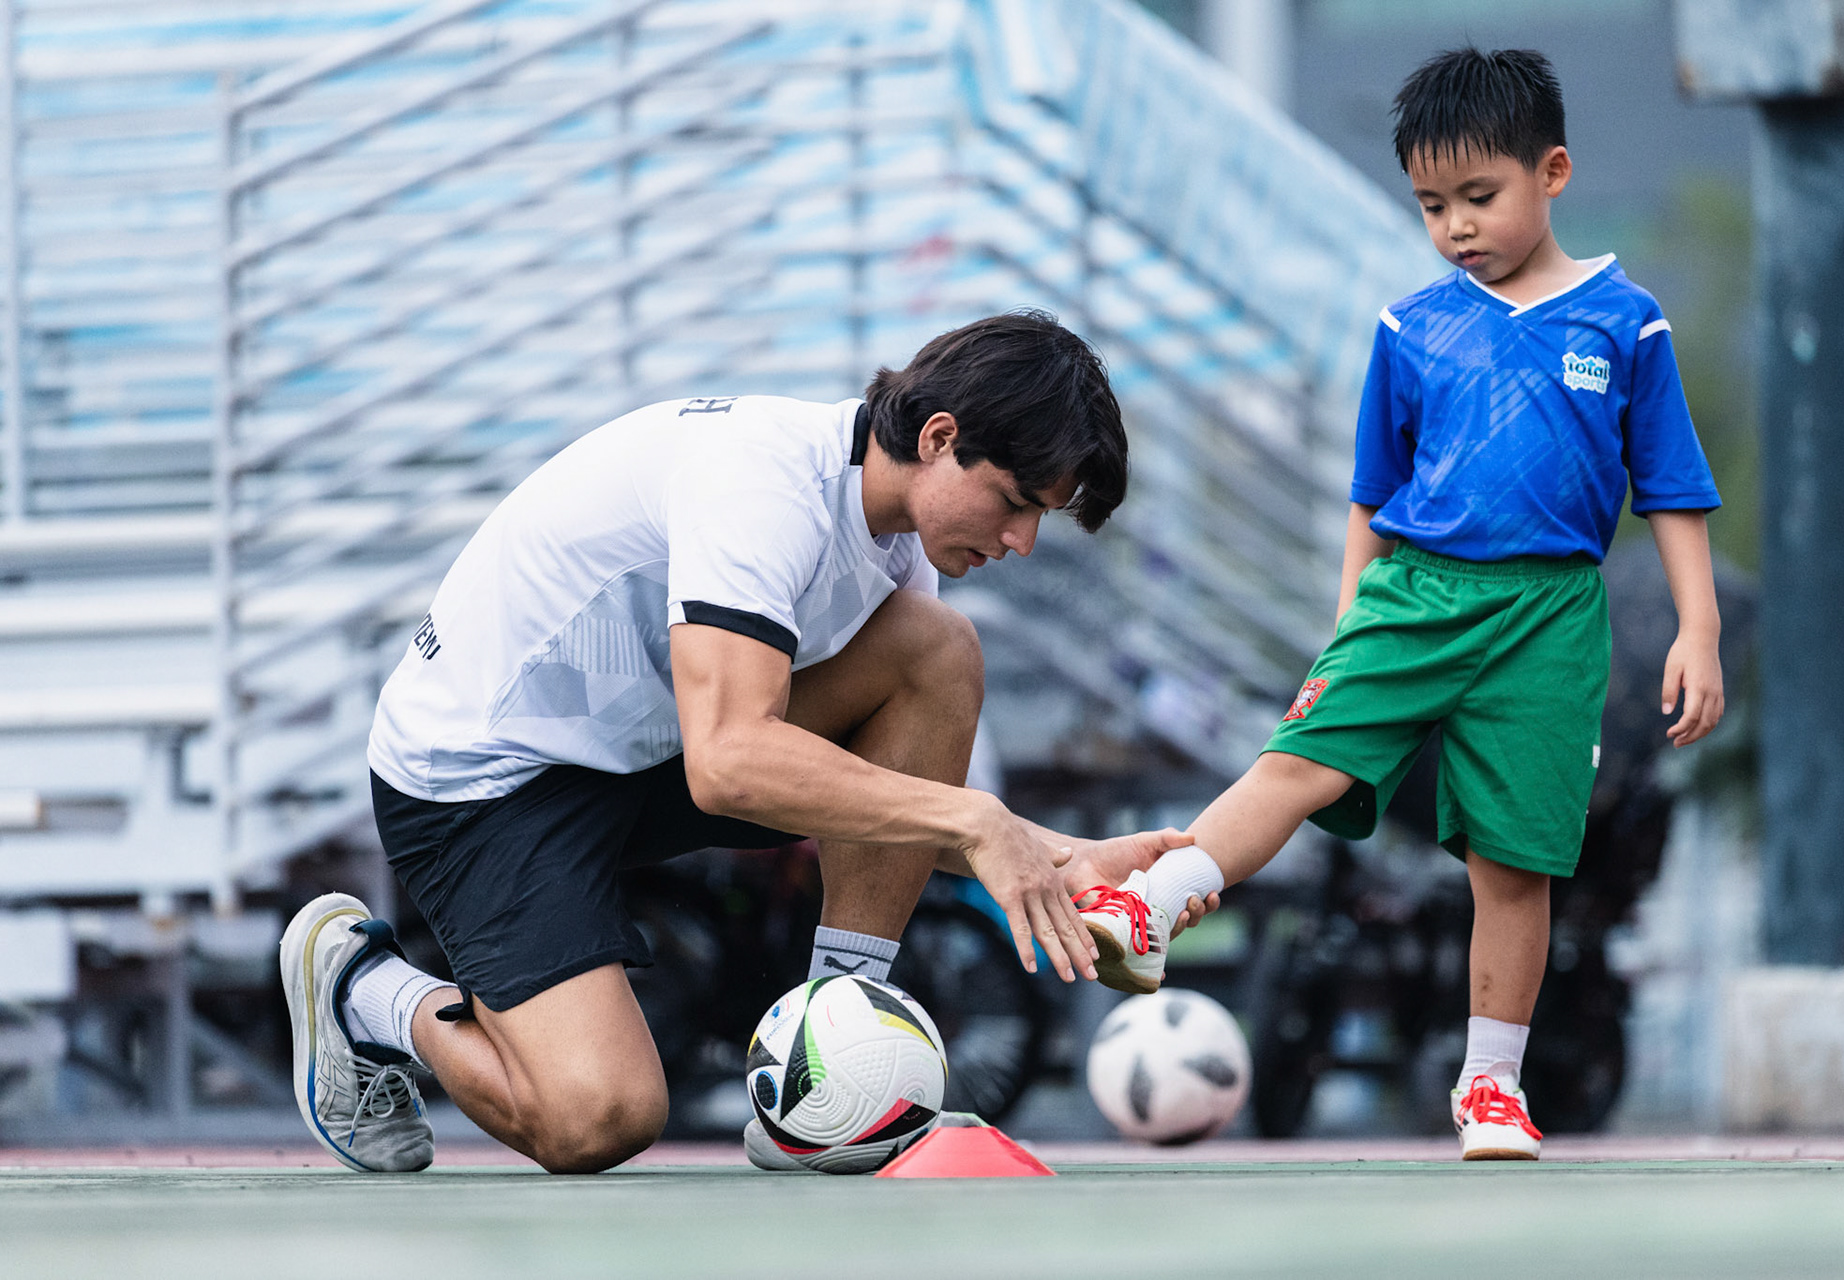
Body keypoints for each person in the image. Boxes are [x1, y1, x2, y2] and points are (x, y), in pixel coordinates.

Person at [279, 311, 1211, 1174]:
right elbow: (730, 766)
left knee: (933, 653)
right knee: (598, 1118)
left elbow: (888, 783)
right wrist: (981, 821)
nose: (1023, 540)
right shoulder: (764, 483)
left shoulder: (897, 545)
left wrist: (1069, 862)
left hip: (641, 754)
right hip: (483, 782)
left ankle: (830, 1064)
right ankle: (361, 988)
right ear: (939, 438)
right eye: (1016, 501)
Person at [1079, 47, 1724, 1160]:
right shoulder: (1410, 327)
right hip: (1412, 593)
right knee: (1298, 760)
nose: (1457, 225)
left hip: (1551, 616)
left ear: (1553, 170)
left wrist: (1698, 630)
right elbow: (1371, 494)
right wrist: (1349, 616)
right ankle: (1157, 903)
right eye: (1433, 205)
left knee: (1513, 865)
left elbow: (1671, 489)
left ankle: (1490, 1089)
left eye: (1481, 196)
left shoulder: (1628, 324)